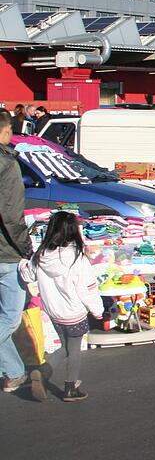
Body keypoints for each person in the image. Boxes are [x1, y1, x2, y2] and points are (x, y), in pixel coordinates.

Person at [19, 211, 103, 401]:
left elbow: (27, 275)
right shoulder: (77, 258)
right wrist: (97, 310)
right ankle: (70, 387)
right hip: (74, 311)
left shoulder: (40, 256)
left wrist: (22, 263)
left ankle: (43, 372)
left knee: (65, 346)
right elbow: (87, 288)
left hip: (53, 311)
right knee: (73, 349)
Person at [0, 109, 31, 394]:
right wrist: (27, 248)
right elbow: (11, 215)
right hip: (6, 253)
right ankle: (14, 370)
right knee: (10, 316)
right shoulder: (7, 165)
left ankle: (13, 371)